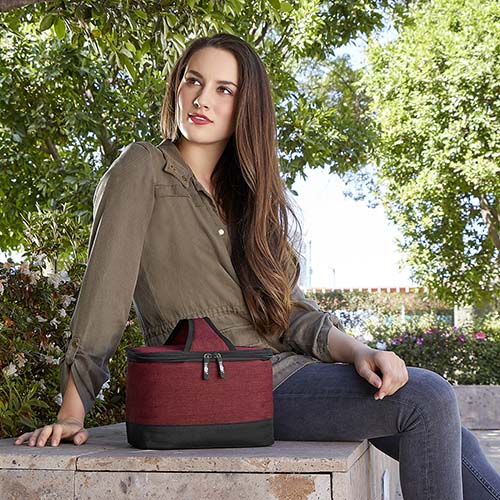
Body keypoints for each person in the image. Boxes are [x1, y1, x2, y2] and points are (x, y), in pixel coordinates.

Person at [14, 32, 500, 500]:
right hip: (217, 380)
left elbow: (288, 311)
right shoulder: (142, 168)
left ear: (245, 107)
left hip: (280, 371)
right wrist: (72, 412)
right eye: (193, 80)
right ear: (176, 88)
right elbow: (105, 292)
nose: (202, 98)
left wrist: (359, 350)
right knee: (428, 397)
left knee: (451, 435)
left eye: (223, 89)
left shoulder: (250, 194)